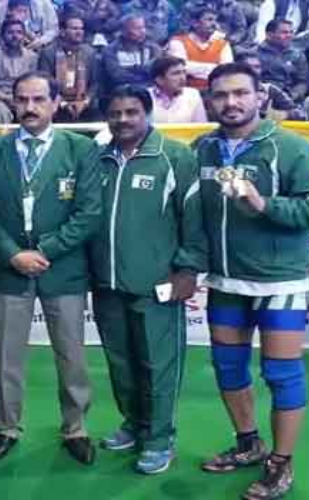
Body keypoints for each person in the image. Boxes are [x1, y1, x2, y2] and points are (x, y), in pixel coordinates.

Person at [194, 62, 309, 500]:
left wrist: (264, 205)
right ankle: (248, 444)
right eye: (221, 95)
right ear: (210, 100)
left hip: (279, 284)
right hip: (224, 281)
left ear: (261, 97)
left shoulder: (293, 148)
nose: (231, 102)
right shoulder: (203, 149)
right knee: (228, 368)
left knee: (281, 373)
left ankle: (281, 463)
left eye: (240, 93)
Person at [0, 71, 102, 465]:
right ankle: (6, 428)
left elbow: (88, 212)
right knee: (7, 356)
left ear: (55, 102)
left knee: (72, 355)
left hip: (63, 268)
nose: (30, 107)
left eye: (38, 99)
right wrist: (13, 253)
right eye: (23, 99)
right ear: (13, 102)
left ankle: (75, 427)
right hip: (9, 268)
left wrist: (44, 250)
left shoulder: (81, 149)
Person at [91, 84, 208, 475]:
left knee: (158, 365)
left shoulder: (174, 157)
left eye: (131, 112)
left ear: (147, 112)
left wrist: (187, 269)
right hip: (106, 283)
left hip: (157, 285)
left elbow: (194, 219)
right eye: (115, 113)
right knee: (120, 363)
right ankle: (135, 423)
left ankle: (160, 438)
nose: (123, 120)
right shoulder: (99, 158)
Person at [38, 14, 101, 122]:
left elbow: (96, 83)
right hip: (57, 104)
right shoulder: (48, 53)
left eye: (81, 29)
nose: (79, 32)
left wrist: (85, 102)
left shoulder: (90, 53)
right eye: (74, 28)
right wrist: (63, 104)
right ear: (62, 31)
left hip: (85, 104)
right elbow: (45, 84)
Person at [167, 9, 235, 91]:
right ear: (195, 23)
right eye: (209, 20)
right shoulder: (177, 41)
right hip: (185, 93)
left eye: (216, 20)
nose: (214, 24)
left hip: (214, 92)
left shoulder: (223, 44)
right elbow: (179, 68)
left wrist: (193, 69)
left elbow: (226, 71)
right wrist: (215, 69)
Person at [0, 20, 38, 119]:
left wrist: (21, 98)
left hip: (25, 97)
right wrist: (5, 98)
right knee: (0, 111)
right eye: (10, 32)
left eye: (19, 32)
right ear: (2, 35)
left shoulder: (32, 57)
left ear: (24, 36)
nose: (15, 36)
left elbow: (34, 83)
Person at [100, 15, 163, 96]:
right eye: (137, 28)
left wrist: (132, 69)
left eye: (143, 27)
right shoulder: (110, 50)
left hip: (149, 91)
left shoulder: (153, 48)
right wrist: (144, 72)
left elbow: (157, 72)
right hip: (121, 94)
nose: (143, 31)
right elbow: (118, 76)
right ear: (124, 31)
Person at [236, 52, 302, 122]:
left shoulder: (270, 90)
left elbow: (301, 114)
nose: (254, 70)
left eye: (257, 67)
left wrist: (284, 114)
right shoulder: (227, 90)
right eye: (248, 67)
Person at [257, 19, 309, 103]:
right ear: (269, 35)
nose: (289, 35)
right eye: (284, 32)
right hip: (262, 98)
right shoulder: (255, 53)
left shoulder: (298, 55)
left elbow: (303, 82)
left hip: (289, 99)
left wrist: (293, 95)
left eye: (291, 32)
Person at [148, 56, 208, 123]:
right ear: (159, 79)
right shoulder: (146, 96)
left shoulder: (193, 95)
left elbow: (202, 126)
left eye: (184, 72)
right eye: (176, 73)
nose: (182, 78)